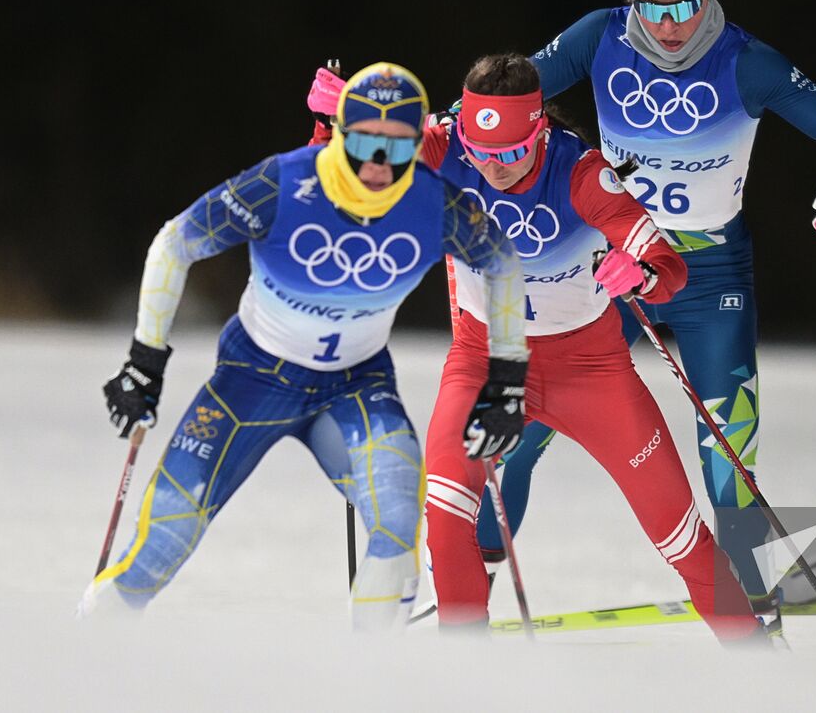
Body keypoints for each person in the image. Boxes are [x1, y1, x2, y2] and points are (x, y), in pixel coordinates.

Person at [479, 0, 816, 629]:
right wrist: (373, 140)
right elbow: (487, 113)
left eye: (685, 7)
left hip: (711, 279)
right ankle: (468, 591)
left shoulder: (746, 62)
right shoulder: (598, 37)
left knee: (728, 454)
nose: (669, 26)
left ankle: (756, 609)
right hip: (608, 268)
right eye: (653, 7)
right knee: (521, 431)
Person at [80, 63, 527, 630]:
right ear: (341, 132)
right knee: (163, 541)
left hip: (355, 387)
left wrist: (507, 378)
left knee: (397, 533)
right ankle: (84, 656)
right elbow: (175, 243)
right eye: (364, 140)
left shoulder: (432, 202)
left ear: (419, 143)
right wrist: (145, 361)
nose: (377, 164)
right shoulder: (285, 183)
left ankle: (364, 683)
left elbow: (502, 262)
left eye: (396, 146)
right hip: (250, 381)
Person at [392, 53, 761, 644]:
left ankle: (759, 661)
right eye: (481, 151)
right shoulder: (442, 148)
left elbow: (668, 267)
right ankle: (461, 676)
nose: (495, 168)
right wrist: (329, 121)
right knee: (444, 515)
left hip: (590, 372)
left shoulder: (583, 173)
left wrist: (637, 276)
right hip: (483, 363)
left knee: (681, 538)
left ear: (539, 131)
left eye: (511, 153)